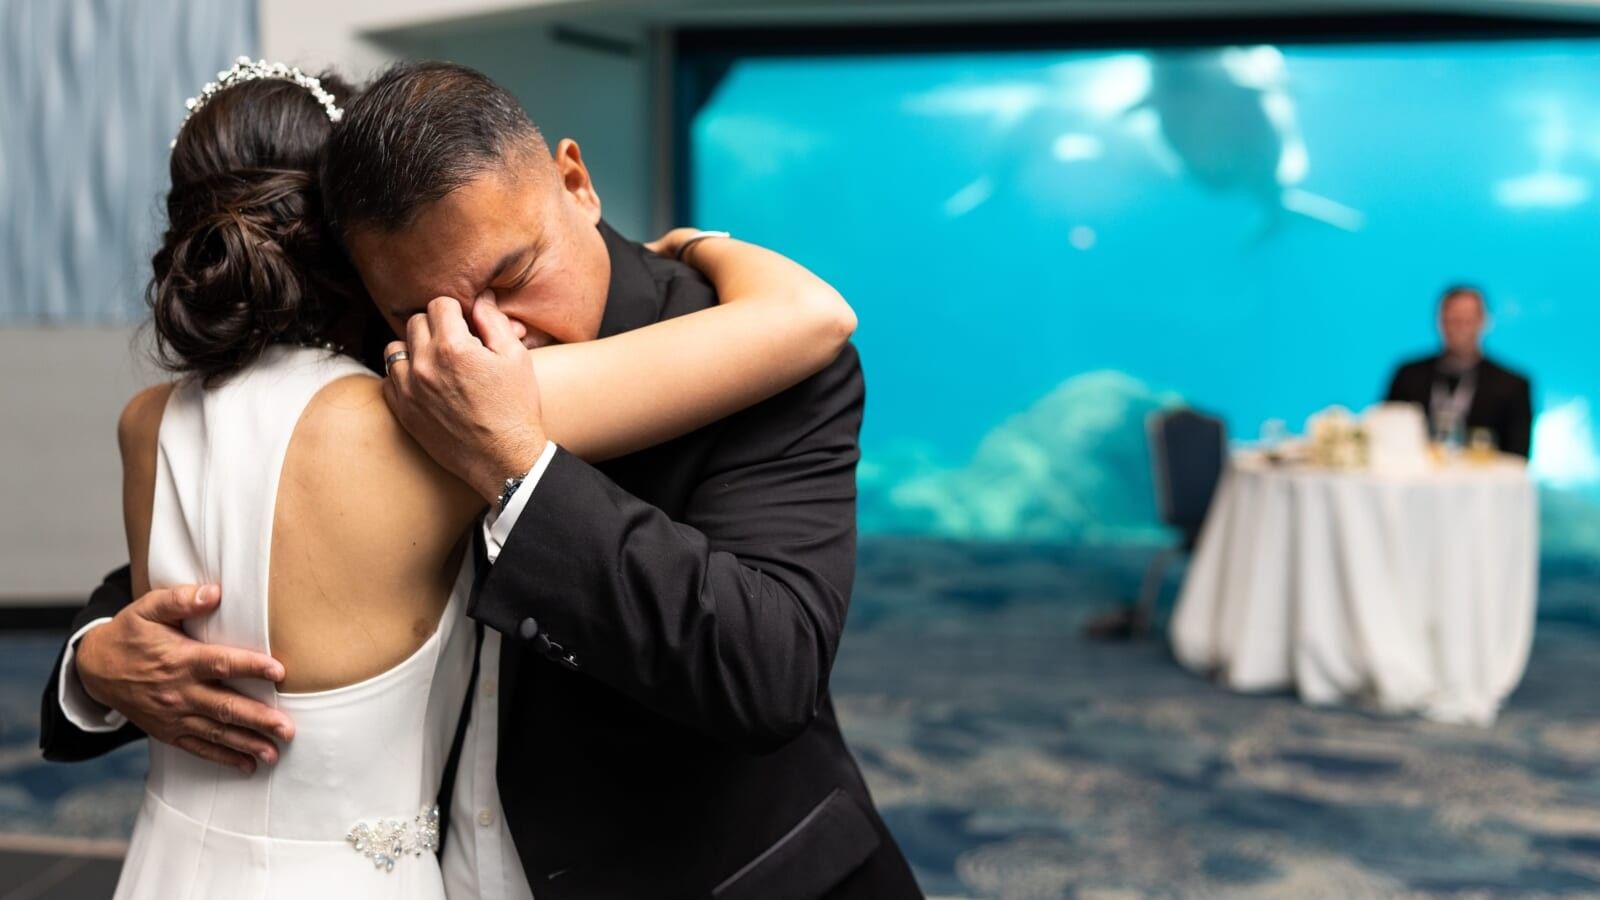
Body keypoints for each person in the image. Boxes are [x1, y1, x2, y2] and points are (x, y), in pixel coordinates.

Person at [40, 59, 865, 899]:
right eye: (423, 309)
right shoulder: (390, 357)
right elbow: (240, 529)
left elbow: (770, 673)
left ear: (576, 182)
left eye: (512, 278)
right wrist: (96, 658)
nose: (484, 338)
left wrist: (514, 465)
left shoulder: (746, 356)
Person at [1385, 284, 1534, 458]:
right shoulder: (1408, 375)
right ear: (1440, 321)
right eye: (1453, 320)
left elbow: (1516, 458)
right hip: (1415, 482)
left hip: (1483, 483)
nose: (1459, 329)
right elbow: (1387, 433)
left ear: (1483, 322)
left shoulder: (1511, 385)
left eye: (1467, 320)